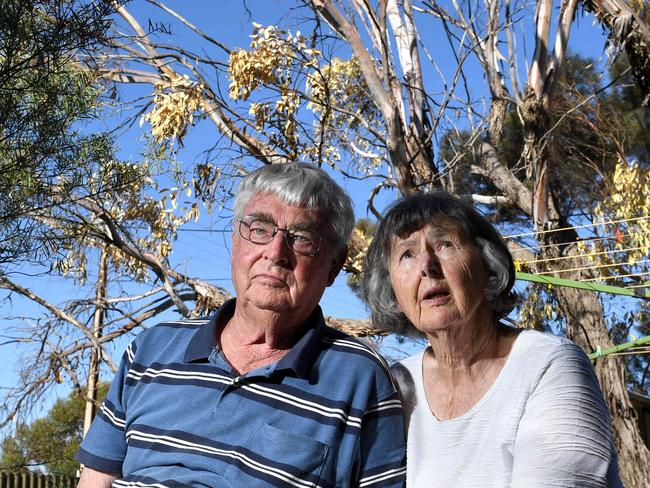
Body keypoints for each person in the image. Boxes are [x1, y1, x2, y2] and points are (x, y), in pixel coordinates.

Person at [77, 163, 406, 488]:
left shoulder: (361, 378)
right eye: (260, 230)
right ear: (235, 242)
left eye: (302, 238)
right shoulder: (150, 351)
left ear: (334, 265)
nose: (275, 253)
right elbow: (96, 480)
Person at [361, 191, 622, 487]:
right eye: (407, 254)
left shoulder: (548, 365)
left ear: (487, 265)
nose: (426, 266)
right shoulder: (394, 384)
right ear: (393, 291)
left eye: (445, 244)